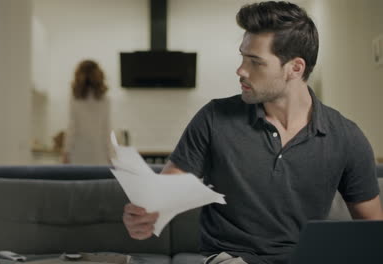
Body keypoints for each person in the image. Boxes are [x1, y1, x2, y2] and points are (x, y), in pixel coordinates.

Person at [122, 1, 383, 264]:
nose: (241, 70)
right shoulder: (213, 118)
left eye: (255, 62)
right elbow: (164, 193)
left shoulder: (346, 137)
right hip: (232, 259)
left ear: (295, 68)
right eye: (242, 57)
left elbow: (373, 230)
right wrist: (147, 213)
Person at [62, 60, 111, 165]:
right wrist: (110, 154)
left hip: (78, 151)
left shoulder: (75, 98)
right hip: (99, 152)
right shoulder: (104, 99)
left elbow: (72, 127)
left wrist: (66, 151)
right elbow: (106, 129)